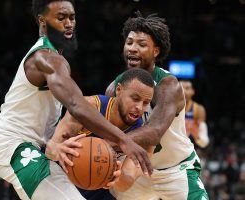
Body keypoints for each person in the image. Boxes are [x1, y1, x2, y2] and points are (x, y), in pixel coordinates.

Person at [0, 1, 152, 199]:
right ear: (42, 21)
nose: (69, 23)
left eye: (72, 17)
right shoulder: (45, 58)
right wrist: (123, 140)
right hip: (13, 144)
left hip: (36, 147)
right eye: (61, 17)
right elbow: (76, 104)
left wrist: (51, 146)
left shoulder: (56, 57)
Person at [106, 12, 209, 200]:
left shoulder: (168, 85)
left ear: (156, 51)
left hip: (175, 170)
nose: (133, 48)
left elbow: (153, 132)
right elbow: (106, 127)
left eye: (141, 44)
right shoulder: (115, 88)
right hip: (135, 171)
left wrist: (111, 141)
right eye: (129, 43)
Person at [48, 68, 155, 200]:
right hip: (61, 182)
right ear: (119, 90)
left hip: (98, 190)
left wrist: (116, 176)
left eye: (146, 103)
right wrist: (57, 150)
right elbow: (50, 150)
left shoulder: (143, 136)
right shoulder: (88, 108)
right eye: (135, 98)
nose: (139, 107)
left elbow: (124, 184)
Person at [180, 80, 209, 148]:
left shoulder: (198, 109)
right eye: (180, 88)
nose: (184, 91)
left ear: (193, 91)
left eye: (187, 88)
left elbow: (204, 142)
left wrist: (196, 135)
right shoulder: (170, 107)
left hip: (191, 149)